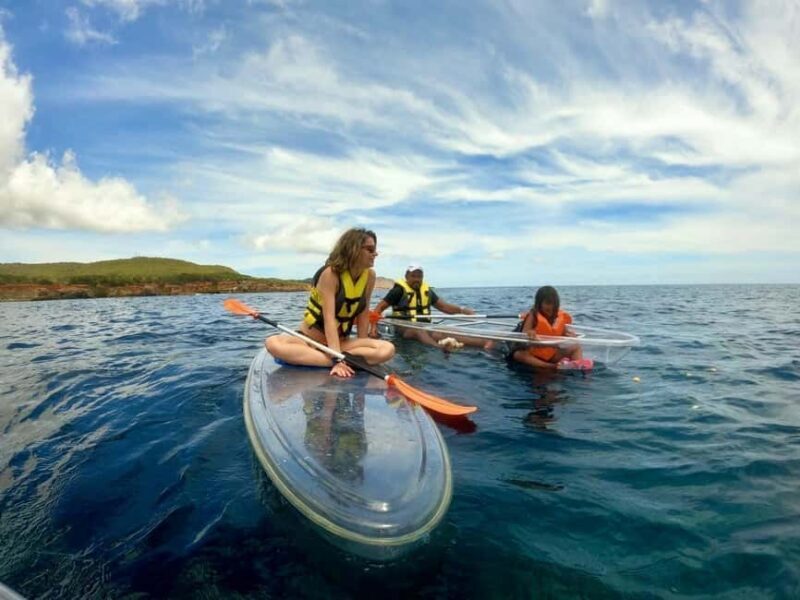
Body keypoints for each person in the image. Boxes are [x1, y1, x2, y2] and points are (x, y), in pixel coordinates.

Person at [265, 227, 395, 377]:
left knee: (387, 349)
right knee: (273, 343)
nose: (375, 254)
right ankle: (342, 360)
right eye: (370, 249)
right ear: (353, 249)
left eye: (375, 249)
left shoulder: (370, 276)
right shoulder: (331, 274)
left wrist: (364, 344)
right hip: (310, 341)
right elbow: (329, 318)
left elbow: (363, 315)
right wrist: (336, 359)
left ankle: (318, 358)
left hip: (341, 342)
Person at [368, 264, 490, 349]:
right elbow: (378, 308)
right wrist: (373, 328)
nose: (417, 279)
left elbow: (444, 307)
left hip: (425, 326)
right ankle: (440, 348)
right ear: (406, 276)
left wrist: (463, 310)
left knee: (444, 331)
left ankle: (486, 343)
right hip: (404, 328)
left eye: (419, 276)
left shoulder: (427, 291)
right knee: (418, 331)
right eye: (413, 276)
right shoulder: (398, 291)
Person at [509, 285, 589, 370]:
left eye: (554, 304)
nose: (551, 307)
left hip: (552, 354)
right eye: (548, 304)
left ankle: (577, 366)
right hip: (534, 354)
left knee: (576, 346)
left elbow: (564, 333)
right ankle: (551, 366)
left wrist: (571, 336)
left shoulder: (558, 316)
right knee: (518, 355)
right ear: (539, 303)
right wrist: (530, 334)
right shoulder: (533, 315)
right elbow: (524, 335)